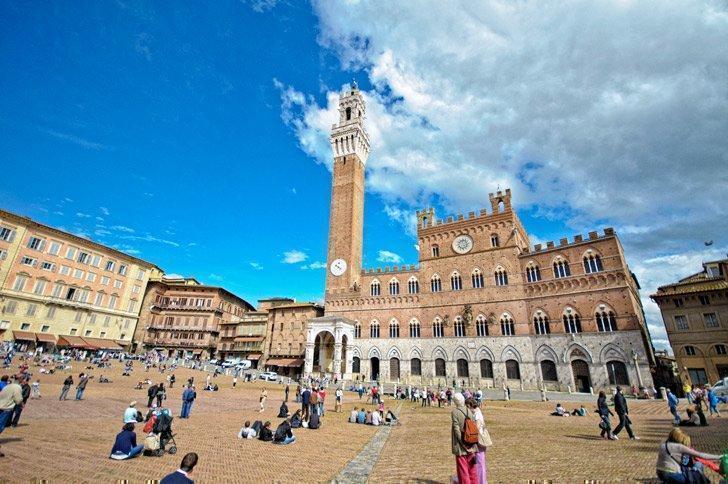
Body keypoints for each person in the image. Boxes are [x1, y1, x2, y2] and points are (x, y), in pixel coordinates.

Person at [655, 428, 721, 483]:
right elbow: (701, 455)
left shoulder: (663, 445)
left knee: (693, 467)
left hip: (660, 473)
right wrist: (719, 457)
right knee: (698, 465)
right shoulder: (679, 447)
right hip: (673, 475)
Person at [451, 393, 478, 484]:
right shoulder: (469, 410)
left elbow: (456, 429)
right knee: (472, 469)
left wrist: (463, 444)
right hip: (471, 442)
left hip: (461, 445)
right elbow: (474, 426)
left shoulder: (455, 412)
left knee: (463, 470)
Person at [466, 397, 489, 484]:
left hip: (479, 441)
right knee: (478, 462)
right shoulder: (476, 413)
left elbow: (477, 428)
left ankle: (481, 481)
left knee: (480, 463)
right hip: (477, 440)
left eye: (468, 406)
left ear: (471, 405)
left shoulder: (477, 414)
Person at [0, 376, 23, 457]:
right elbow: (18, 399)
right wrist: (21, 404)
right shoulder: (17, 387)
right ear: (21, 380)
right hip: (5, 409)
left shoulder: (7, 386)